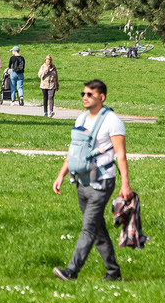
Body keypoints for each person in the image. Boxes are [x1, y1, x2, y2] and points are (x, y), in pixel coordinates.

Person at [53, 78, 132, 282]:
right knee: (97, 228)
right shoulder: (81, 119)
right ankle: (113, 272)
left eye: (89, 94)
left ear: (101, 97)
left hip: (103, 181)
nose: (85, 97)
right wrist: (61, 174)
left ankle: (72, 271)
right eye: (83, 94)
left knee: (88, 227)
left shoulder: (112, 121)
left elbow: (120, 155)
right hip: (82, 181)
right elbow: (73, 151)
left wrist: (125, 184)